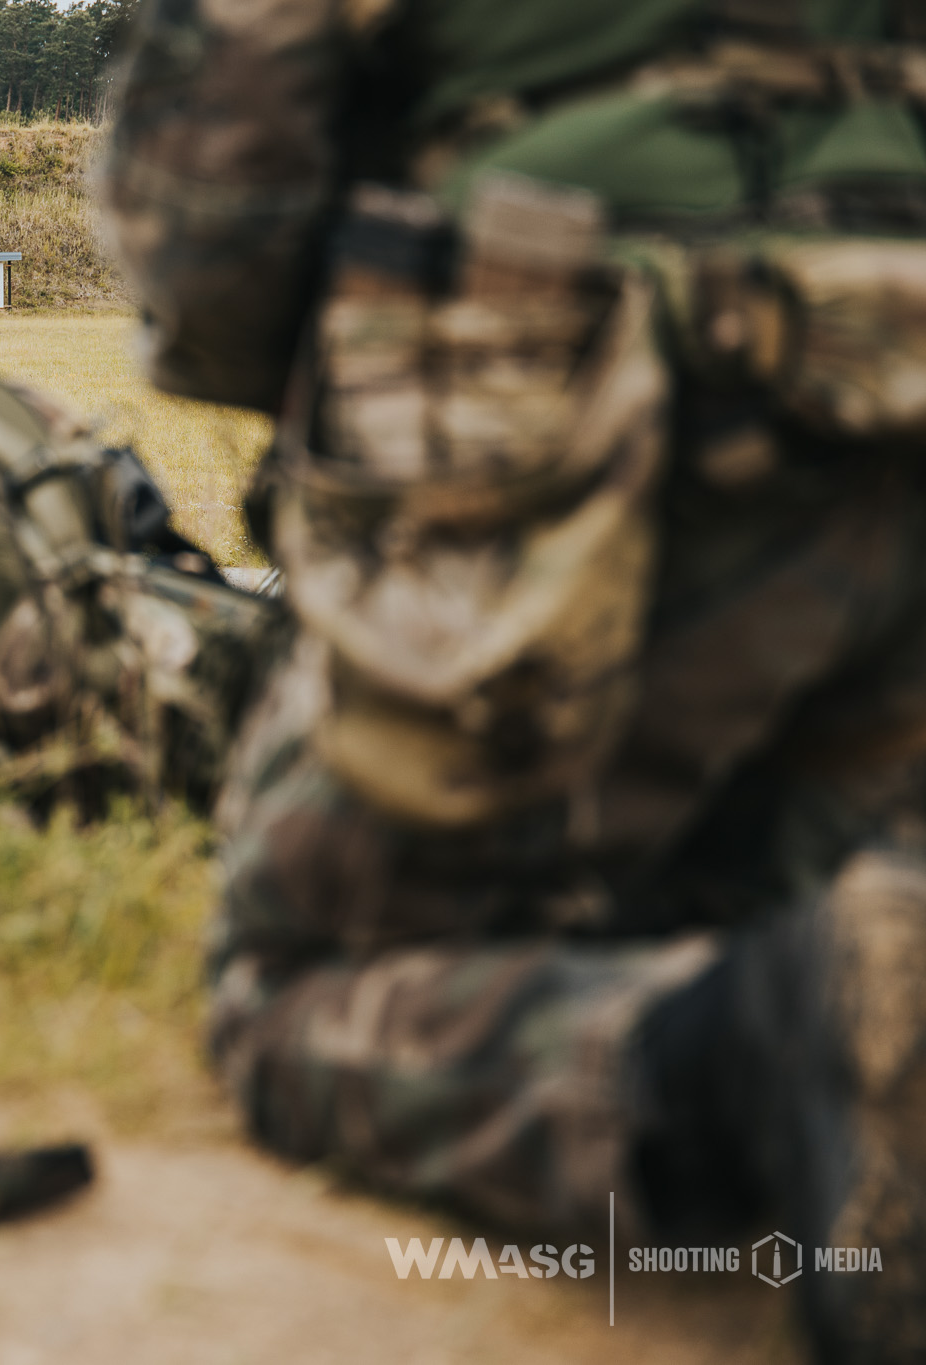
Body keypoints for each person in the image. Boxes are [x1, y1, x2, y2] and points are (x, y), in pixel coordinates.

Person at [99, 2, 926, 1357]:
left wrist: (362, 378)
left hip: (594, 369)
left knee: (302, 983)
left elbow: (213, 222)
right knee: (808, 880)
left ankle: (741, 1050)